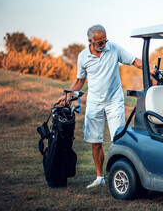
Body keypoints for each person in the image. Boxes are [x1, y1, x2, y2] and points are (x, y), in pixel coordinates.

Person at [56, 24, 147, 188]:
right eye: (100, 42)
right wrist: (67, 95)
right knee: (95, 140)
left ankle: (120, 175)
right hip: (94, 103)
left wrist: (151, 68)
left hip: (114, 101)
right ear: (90, 41)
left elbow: (135, 62)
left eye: (105, 41)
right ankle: (100, 178)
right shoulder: (83, 57)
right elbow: (79, 81)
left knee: (118, 140)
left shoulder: (114, 49)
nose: (104, 45)